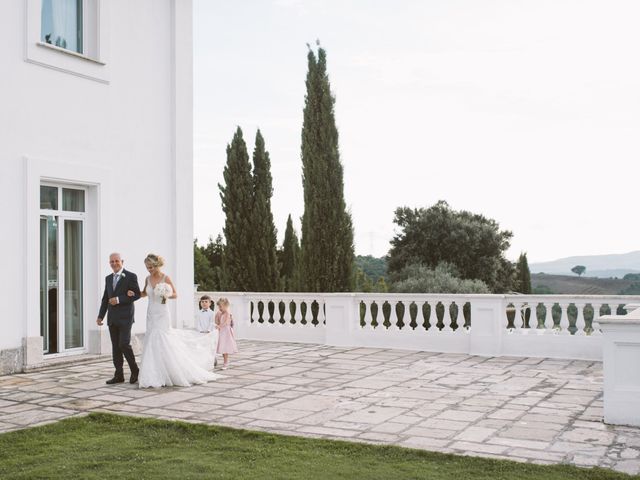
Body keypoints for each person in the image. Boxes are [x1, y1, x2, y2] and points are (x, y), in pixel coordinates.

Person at [130, 253, 219, 388]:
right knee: (151, 340)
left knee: (161, 338)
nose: (149, 270)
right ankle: (153, 373)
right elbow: (144, 293)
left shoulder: (165, 278)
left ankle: (170, 372)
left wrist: (165, 293)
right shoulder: (147, 279)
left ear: (156, 265)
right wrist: (134, 294)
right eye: (147, 268)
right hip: (151, 313)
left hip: (162, 313)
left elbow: (175, 294)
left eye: (151, 267)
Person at [97, 253, 141, 385]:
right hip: (112, 318)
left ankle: (135, 370)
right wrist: (100, 316)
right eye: (111, 262)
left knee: (124, 344)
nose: (114, 263)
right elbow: (105, 298)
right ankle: (119, 375)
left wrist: (119, 299)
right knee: (116, 347)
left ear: (122, 261)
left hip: (126, 317)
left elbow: (137, 294)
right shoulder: (108, 278)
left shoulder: (131, 276)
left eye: (116, 261)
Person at [215, 298, 238, 370]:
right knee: (222, 348)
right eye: (219, 306)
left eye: (221, 306)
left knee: (225, 348)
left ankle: (226, 362)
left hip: (226, 333)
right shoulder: (219, 313)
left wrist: (219, 326)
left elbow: (226, 322)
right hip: (221, 332)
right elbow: (217, 321)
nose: (219, 308)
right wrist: (217, 322)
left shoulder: (228, 313)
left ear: (226, 306)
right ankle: (218, 360)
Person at [196, 294, 218, 367]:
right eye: (202, 302)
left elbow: (212, 322)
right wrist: (200, 330)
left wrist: (208, 330)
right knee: (202, 346)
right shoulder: (198, 313)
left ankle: (214, 359)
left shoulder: (212, 313)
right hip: (201, 332)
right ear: (200, 303)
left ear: (210, 303)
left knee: (211, 346)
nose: (204, 303)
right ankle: (204, 360)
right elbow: (198, 322)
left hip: (209, 333)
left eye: (206, 302)